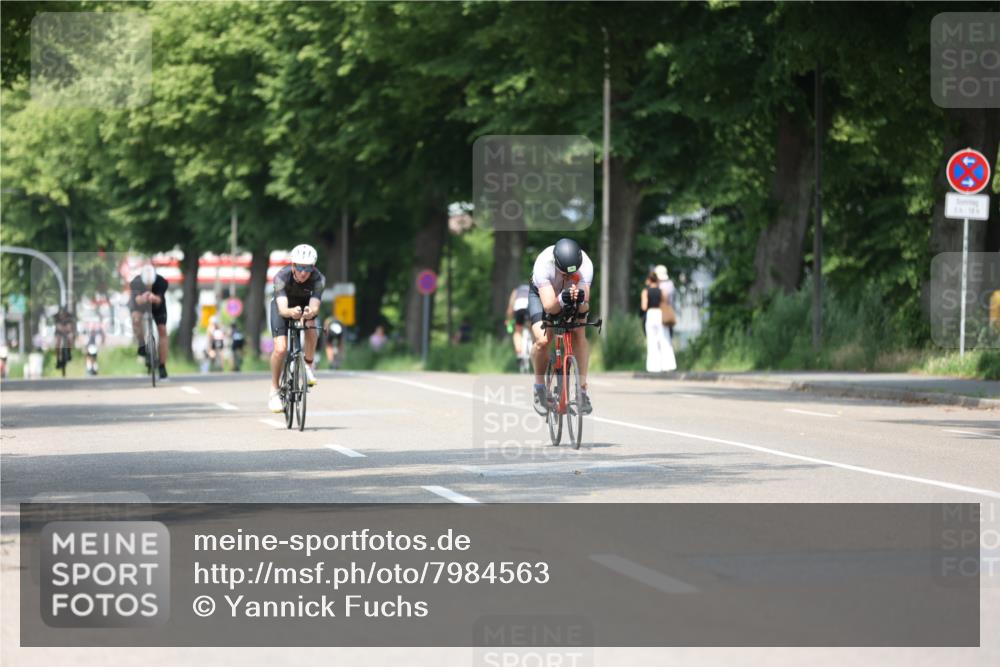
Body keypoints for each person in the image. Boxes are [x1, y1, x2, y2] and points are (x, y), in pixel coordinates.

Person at [528, 238, 594, 416]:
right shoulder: (543, 264)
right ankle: (539, 387)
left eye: (570, 275)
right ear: (556, 265)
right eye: (563, 273)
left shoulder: (586, 265)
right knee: (543, 340)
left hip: (569, 296)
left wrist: (580, 300)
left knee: (579, 333)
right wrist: (561, 298)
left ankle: (582, 391)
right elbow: (550, 306)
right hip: (543, 296)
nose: (567, 277)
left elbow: (584, 307)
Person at [268, 244, 324, 412]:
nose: (303, 272)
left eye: (307, 268)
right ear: (293, 265)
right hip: (283, 307)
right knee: (280, 349)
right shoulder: (281, 277)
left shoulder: (318, 279)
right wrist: (290, 312)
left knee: (312, 328)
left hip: (304, 306)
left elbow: (315, 306)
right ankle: (274, 390)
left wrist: (309, 312)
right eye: (299, 266)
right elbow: (283, 309)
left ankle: (307, 365)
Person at [130, 264, 170, 380]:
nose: (148, 286)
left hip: (157, 306)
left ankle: (162, 366)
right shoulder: (136, 282)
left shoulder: (161, 282)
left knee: (162, 330)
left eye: (150, 284)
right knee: (136, 318)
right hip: (140, 305)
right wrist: (143, 297)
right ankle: (142, 343)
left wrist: (154, 297)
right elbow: (137, 300)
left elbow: (159, 299)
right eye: (146, 285)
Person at [641, 267, 676, 373]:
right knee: (664, 338)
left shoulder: (645, 291)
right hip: (660, 314)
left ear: (649, 280)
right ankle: (668, 365)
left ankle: (653, 367)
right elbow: (665, 302)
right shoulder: (662, 291)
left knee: (652, 341)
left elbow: (644, 306)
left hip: (651, 314)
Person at [505, 283, 533, 359]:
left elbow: (510, 308)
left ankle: (519, 352)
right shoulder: (531, 289)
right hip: (529, 308)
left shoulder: (516, 291)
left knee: (517, 331)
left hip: (519, 308)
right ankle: (533, 350)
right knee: (532, 329)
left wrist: (508, 320)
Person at [53, 306, 75, 371]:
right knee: (57, 342)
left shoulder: (69, 317)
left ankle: (69, 352)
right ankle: (58, 359)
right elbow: (57, 327)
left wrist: (67, 329)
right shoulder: (57, 317)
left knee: (70, 337)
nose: (62, 316)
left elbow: (70, 327)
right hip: (59, 333)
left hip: (67, 332)